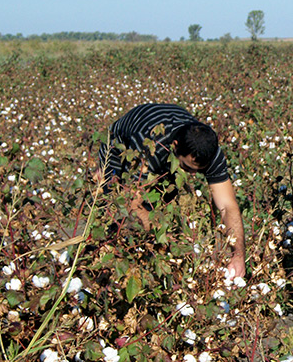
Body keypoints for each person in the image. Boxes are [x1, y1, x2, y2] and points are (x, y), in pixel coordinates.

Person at [97, 103, 246, 278]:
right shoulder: (149, 146)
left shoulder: (209, 152)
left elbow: (228, 206)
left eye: (198, 171)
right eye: (188, 167)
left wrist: (238, 255)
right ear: (174, 146)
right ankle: (106, 264)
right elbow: (132, 203)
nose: (192, 175)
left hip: (165, 143)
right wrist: (167, 244)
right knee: (115, 209)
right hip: (118, 146)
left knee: (161, 208)